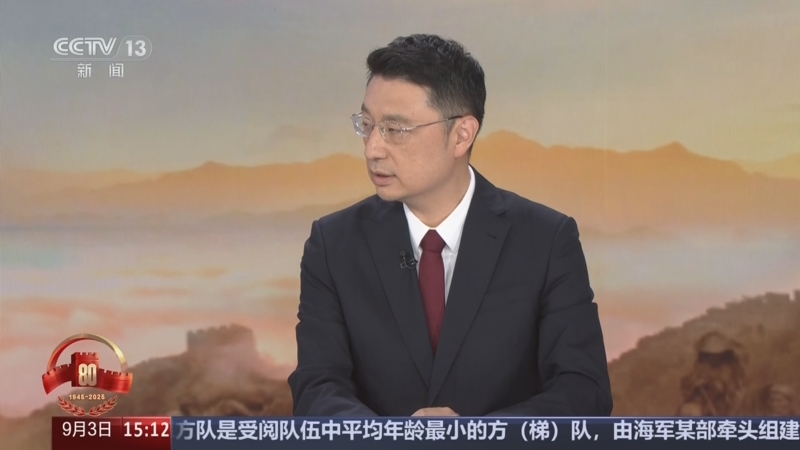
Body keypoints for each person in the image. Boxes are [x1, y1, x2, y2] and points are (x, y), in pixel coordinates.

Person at [288, 34, 612, 417]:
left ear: (461, 135)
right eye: (368, 125)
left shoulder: (545, 241)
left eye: (395, 129)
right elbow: (317, 387)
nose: (373, 148)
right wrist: (393, 439)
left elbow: (583, 391)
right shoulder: (333, 245)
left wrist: (474, 435)